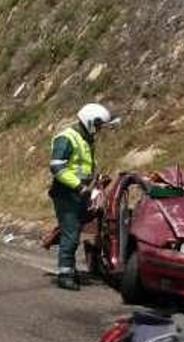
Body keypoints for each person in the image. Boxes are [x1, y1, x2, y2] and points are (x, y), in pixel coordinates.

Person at [49, 103, 115, 291]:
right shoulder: (67, 138)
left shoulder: (86, 139)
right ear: (90, 121)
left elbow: (84, 167)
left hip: (80, 192)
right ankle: (65, 273)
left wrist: (95, 182)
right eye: (99, 125)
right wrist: (79, 186)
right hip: (67, 193)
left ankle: (70, 266)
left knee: (75, 229)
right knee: (71, 233)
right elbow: (57, 167)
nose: (100, 130)